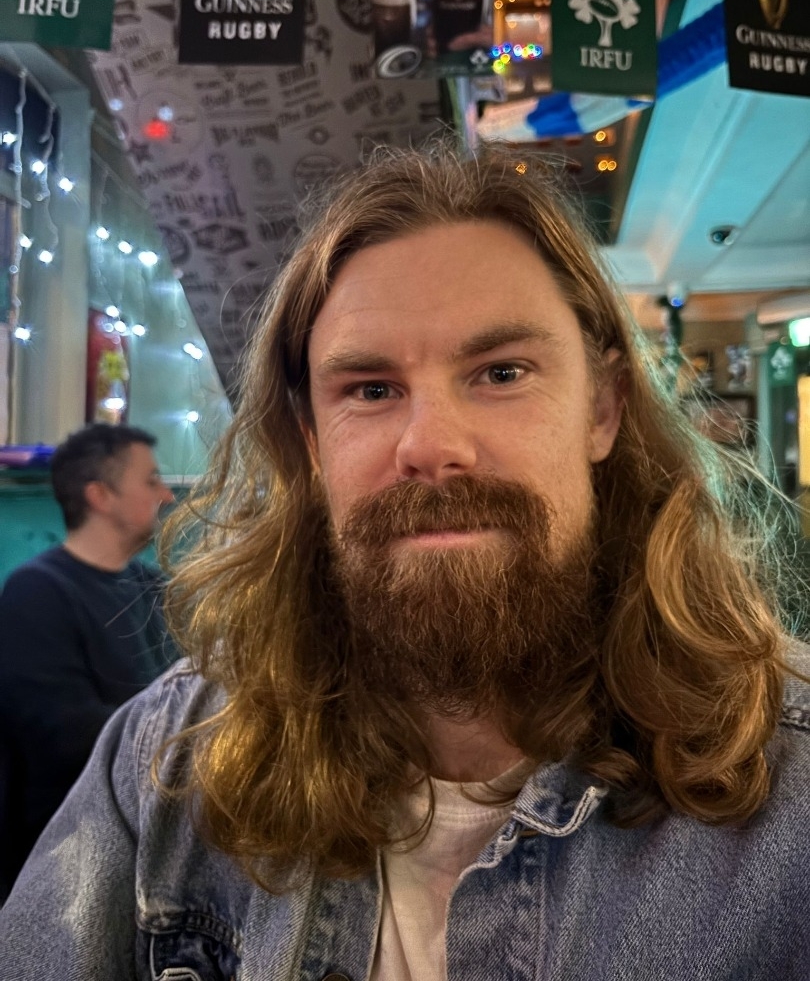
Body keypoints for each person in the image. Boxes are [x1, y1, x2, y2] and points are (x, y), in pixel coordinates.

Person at [1, 144, 808, 977]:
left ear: (602, 410)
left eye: (501, 373)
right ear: (311, 443)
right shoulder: (168, 763)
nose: (431, 445)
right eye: (372, 390)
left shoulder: (792, 796)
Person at [0, 422, 176, 895]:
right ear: (100, 496)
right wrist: (191, 743)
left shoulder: (150, 586)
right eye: (151, 481)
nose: (166, 496)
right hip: (66, 869)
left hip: (146, 848)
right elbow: (68, 738)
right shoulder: (36, 593)